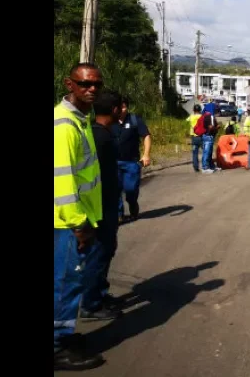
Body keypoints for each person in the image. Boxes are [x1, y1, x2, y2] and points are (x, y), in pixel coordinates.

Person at [54, 63, 106, 370]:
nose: (92, 89)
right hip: (67, 222)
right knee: (65, 282)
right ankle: (58, 345)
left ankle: (63, 334)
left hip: (77, 218)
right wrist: (78, 224)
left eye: (96, 84)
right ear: (69, 84)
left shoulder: (80, 119)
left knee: (68, 280)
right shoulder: (64, 125)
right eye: (84, 84)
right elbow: (61, 181)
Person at [80, 90, 125, 322]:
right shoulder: (101, 137)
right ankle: (91, 304)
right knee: (98, 254)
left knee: (106, 252)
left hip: (104, 204)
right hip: (98, 207)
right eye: (122, 107)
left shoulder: (98, 133)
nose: (124, 111)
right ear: (115, 110)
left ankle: (100, 294)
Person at [111, 96, 152, 222]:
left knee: (130, 188)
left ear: (127, 107)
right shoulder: (109, 121)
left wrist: (146, 154)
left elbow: (146, 136)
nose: (121, 110)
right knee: (115, 189)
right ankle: (119, 214)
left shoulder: (134, 120)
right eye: (119, 107)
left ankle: (133, 203)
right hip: (113, 162)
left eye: (123, 107)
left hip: (131, 162)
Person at [188, 104, 204, 173]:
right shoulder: (202, 116)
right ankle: (205, 165)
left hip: (194, 136)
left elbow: (187, 120)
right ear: (200, 110)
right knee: (205, 151)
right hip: (201, 136)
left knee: (195, 153)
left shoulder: (191, 117)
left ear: (194, 110)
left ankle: (196, 167)